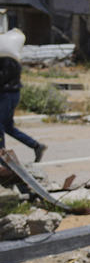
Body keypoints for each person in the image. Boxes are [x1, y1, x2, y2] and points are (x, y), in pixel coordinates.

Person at [1, 29, 48, 163]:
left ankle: (2, 157)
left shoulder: (8, 60)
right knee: (8, 127)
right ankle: (36, 146)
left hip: (8, 95)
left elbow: (2, 77)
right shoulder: (7, 58)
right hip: (8, 94)